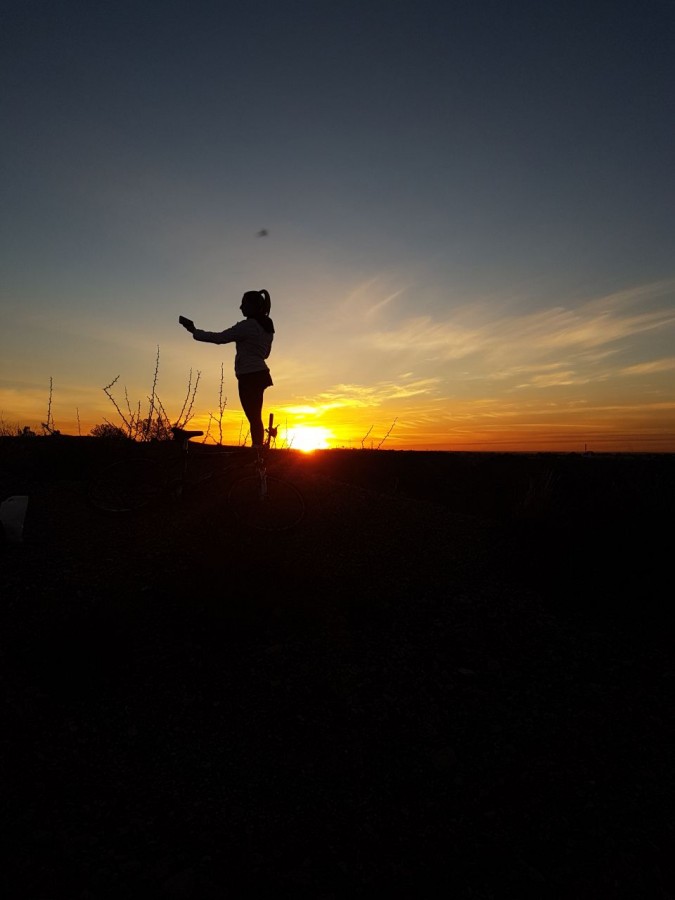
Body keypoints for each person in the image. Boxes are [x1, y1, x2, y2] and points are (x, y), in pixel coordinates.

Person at [179, 289, 274, 448]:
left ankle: (257, 452)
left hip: (249, 376)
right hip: (260, 374)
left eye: (243, 304)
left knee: (253, 416)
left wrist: (194, 331)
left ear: (252, 306)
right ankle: (258, 450)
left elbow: (219, 338)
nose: (240, 307)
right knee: (255, 416)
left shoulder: (248, 326)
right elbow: (265, 354)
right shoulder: (267, 328)